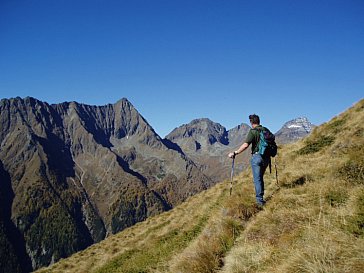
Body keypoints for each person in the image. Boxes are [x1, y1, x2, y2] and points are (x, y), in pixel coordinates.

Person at [228, 114, 269, 206]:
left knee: (257, 179)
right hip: (266, 158)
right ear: (259, 121)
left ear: (251, 122)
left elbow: (246, 145)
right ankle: (261, 198)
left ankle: (259, 201)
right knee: (260, 178)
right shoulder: (266, 130)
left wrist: (235, 153)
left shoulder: (253, 131)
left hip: (257, 157)